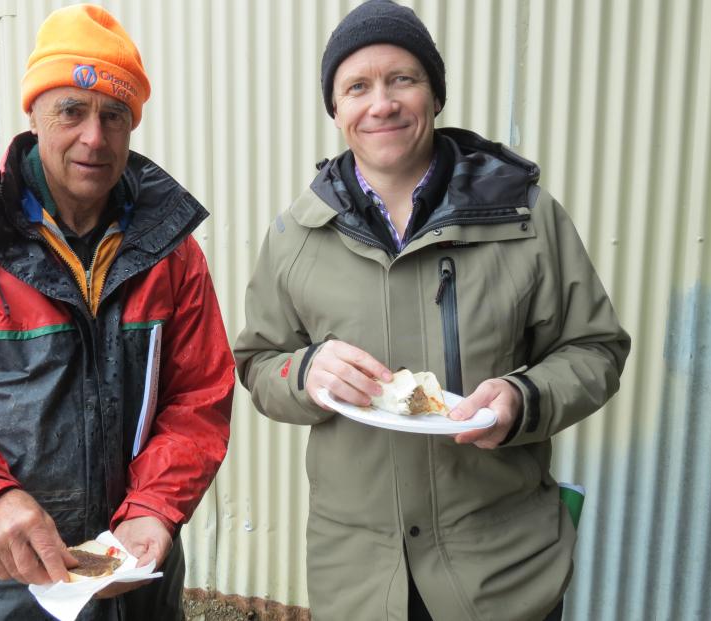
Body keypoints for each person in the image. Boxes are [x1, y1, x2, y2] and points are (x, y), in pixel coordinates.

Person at [234, 1, 630, 619]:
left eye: (403, 79)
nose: (381, 103)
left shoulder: (525, 217)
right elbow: (260, 361)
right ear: (335, 110)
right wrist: (304, 372)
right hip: (362, 580)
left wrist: (524, 398)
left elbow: (596, 348)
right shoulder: (295, 235)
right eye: (357, 86)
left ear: (434, 95)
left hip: (501, 572)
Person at [0, 5, 234, 619]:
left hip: (131, 575)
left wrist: (153, 509)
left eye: (115, 115)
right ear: (33, 113)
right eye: (72, 110)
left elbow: (197, 402)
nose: (94, 136)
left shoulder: (173, 255)